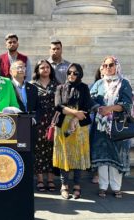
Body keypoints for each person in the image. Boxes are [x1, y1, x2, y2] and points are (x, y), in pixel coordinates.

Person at [90, 56, 134, 199]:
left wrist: (110, 108)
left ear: (116, 66)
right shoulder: (98, 84)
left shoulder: (124, 83)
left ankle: (116, 187)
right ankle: (103, 186)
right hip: (100, 126)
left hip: (118, 126)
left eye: (111, 65)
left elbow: (127, 104)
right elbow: (90, 100)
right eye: (105, 65)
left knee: (116, 156)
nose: (108, 67)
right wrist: (98, 107)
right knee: (102, 156)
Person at [53, 63, 97, 200]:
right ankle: (64, 185)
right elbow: (58, 106)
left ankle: (77, 184)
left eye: (75, 73)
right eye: (69, 73)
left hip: (80, 127)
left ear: (80, 75)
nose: (71, 75)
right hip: (63, 126)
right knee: (64, 154)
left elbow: (87, 105)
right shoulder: (60, 88)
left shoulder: (84, 88)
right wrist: (75, 113)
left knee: (78, 155)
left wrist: (76, 118)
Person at [31, 59, 59, 192]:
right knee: (38, 151)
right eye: (42, 68)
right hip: (38, 123)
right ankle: (40, 179)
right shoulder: (32, 85)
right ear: (37, 70)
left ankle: (51, 179)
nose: (45, 69)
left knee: (52, 150)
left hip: (53, 122)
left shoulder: (57, 85)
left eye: (47, 67)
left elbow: (60, 104)